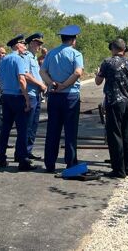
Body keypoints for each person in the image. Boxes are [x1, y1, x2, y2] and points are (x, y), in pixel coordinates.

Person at [40, 25, 84, 173]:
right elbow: (78, 72)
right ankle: (70, 163)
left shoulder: (51, 53)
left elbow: (42, 71)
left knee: (53, 130)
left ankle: (50, 163)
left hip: (54, 95)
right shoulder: (76, 54)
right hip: (70, 95)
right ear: (73, 40)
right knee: (70, 131)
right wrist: (64, 85)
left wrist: (51, 83)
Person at [96, 39, 128, 178]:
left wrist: (98, 73)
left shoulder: (108, 62)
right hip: (127, 102)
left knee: (114, 136)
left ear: (113, 48)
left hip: (113, 102)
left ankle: (118, 170)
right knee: (127, 135)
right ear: (124, 49)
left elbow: (98, 81)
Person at [0, 34, 38, 171]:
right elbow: (22, 80)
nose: (25, 47)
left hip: (6, 96)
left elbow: (0, 79)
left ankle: (1, 157)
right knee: (23, 130)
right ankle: (23, 161)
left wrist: (3, 91)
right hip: (18, 97)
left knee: (5, 129)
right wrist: (27, 98)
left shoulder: (4, 59)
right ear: (16, 45)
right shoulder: (19, 59)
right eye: (23, 44)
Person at [24, 32, 47, 160]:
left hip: (37, 95)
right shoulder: (26, 56)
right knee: (28, 125)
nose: (39, 46)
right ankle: (23, 152)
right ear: (32, 43)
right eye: (38, 43)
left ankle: (28, 150)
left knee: (34, 125)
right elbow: (26, 75)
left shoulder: (33, 57)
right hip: (31, 94)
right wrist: (41, 85)